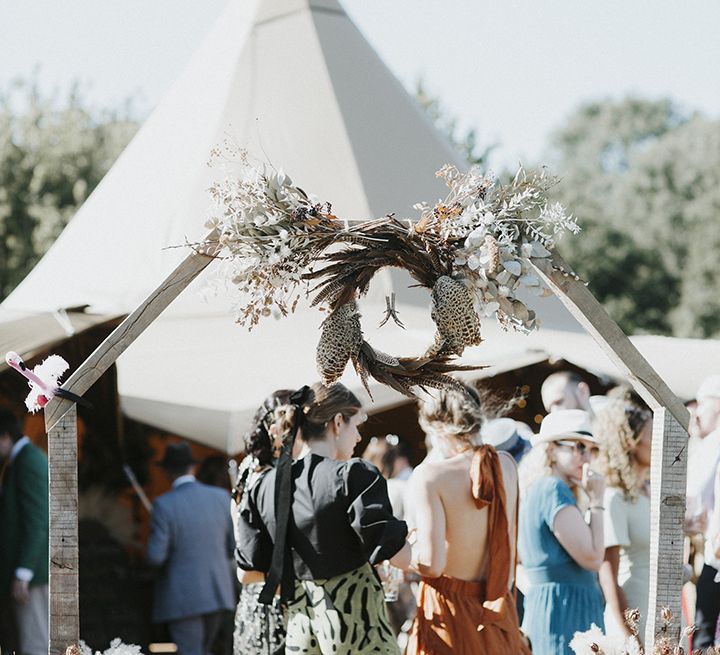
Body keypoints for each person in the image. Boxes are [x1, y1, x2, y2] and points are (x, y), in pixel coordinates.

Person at [236, 383, 410, 655]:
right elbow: (402, 558)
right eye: (357, 426)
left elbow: (247, 572)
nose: (358, 438)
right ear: (338, 422)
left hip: (302, 635)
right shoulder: (353, 476)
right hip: (358, 634)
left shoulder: (263, 487)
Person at [405, 385, 530, 655]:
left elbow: (432, 563)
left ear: (434, 426)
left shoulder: (429, 476)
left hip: (449, 612)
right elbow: (507, 556)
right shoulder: (507, 465)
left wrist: (398, 554)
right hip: (496, 608)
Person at [518, 409, 606, 655]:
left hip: (557, 605)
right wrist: (597, 500)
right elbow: (593, 557)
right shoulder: (553, 488)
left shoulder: (542, 488)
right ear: (550, 449)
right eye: (577, 446)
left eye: (590, 449)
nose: (585, 457)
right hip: (564, 608)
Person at [146, 442, 235, 655]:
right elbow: (232, 546)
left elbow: (156, 557)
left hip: (183, 595)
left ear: (167, 472)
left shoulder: (163, 505)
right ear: (192, 468)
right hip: (217, 591)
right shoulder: (221, 497)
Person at [231, 389, 294, 655]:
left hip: (252, 597)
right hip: (277, 596)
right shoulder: (271, 476)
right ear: (274, 428)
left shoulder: (248, 467)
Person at [593, 392, 652, 641]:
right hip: (634, 615)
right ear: (632, 442)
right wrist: (632, 637)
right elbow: (608, 579)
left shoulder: (647, 493)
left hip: (662, 612)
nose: (658, 442)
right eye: (652, 435)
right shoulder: (614, 498)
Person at [0, 409, 49, 655]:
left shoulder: (29, 461)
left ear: (5, 436)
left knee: (35, 644)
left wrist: (24, 571)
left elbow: (38, 519)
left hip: (32, 573)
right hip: (24, 571)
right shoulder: (20, 460)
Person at [685, 374, 720, 648]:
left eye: (702, 405)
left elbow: (693, 497)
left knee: (705, 637)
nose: (697, 413)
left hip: (717, 556)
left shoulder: (714, 442)